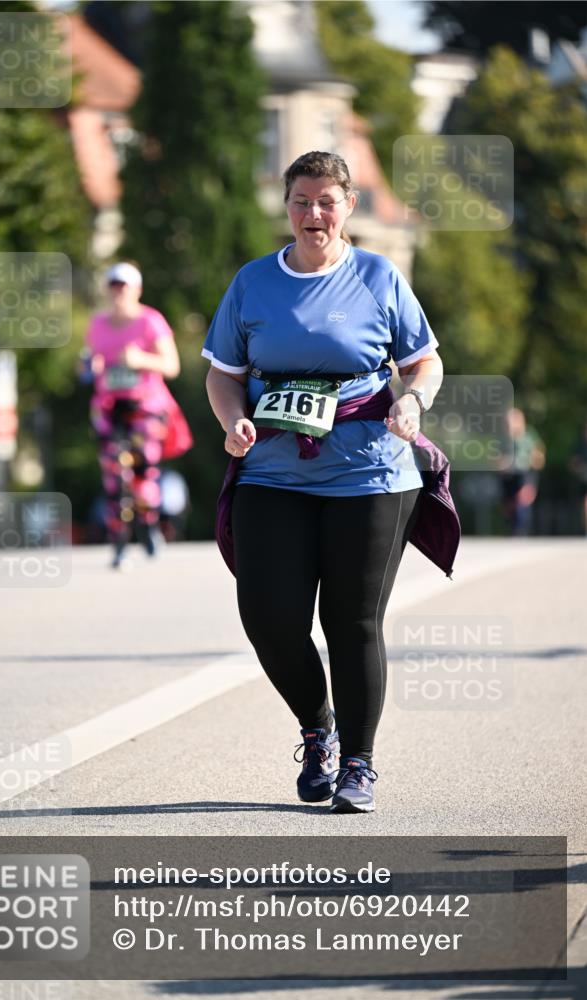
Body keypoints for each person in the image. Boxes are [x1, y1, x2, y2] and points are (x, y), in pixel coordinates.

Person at [202, 151, 459, 814]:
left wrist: (412, 400)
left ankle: (358, 764)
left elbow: (423, 361)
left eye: (325, 201)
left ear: (348, 206)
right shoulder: (253, 282)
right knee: (269, 618)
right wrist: (232, 421)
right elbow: (223, 374)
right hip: (272, 472)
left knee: (351, 622)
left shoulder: (378, 276)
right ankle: (318, 728)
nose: (312, 213)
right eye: (300, 201)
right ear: (285, 205)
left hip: (370, 473)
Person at [84, 261, 193, 568]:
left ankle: (147, 526)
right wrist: (90, 367)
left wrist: (140, 359)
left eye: (124, 286)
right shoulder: (97, 324)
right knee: (114, 476)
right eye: (114, 286)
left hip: (145, 407)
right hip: (109, 408)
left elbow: (171, 366)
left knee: (144, 472)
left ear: (137, 290)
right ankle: (119, 543)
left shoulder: (150, 321)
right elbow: (90, 366)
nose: (118, 292)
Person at [499, 407, 545, 536]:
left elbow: (539, 456)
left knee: (522, 500)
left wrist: (533, 460)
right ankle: (513, 530)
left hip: (525, 474)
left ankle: (521, 532)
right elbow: (496, 458)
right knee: (509, 506)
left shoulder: (529, 436)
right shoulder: (503, 440)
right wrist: (502, 464)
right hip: (509, 475)